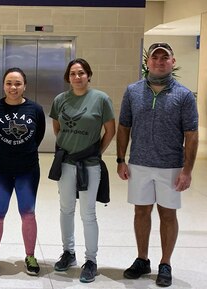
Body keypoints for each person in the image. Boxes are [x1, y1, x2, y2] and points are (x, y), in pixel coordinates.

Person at [117, 43, 198, 287]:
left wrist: (187, 170)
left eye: (165, 58)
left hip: (171, 166)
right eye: (155, 57)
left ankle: (165, 263)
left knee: (167, 214)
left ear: (172, 62)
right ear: (148, 62)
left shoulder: (183, 95)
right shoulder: (132, 91)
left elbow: (191, 134)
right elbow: (124, 127)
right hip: (139, 164)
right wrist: (121, 159)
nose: (160, 61)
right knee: (141, 212)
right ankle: (142, 259)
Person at [49, 58, 115, 283]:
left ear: (89, 75)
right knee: (66, 209)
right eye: (73, 74)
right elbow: (57, 127)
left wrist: (96, 152)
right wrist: (69, 147)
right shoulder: (60, 100)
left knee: (88, 213)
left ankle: (91, 260)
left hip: (90, 164)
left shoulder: (101, 99)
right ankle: (68, 253)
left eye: (81, 73)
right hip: (66, 163)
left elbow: (110, 130)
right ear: (68, 77)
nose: (77, 77)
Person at [0, 67, 45, 276]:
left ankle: (30, 255)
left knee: (28, 213)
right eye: (9, 83)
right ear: (3, 85)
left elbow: (39, 136)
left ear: (24, 85)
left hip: (27, 170)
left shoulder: (35, 110)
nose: (13, 87)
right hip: (0, 170)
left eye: (17, 83)